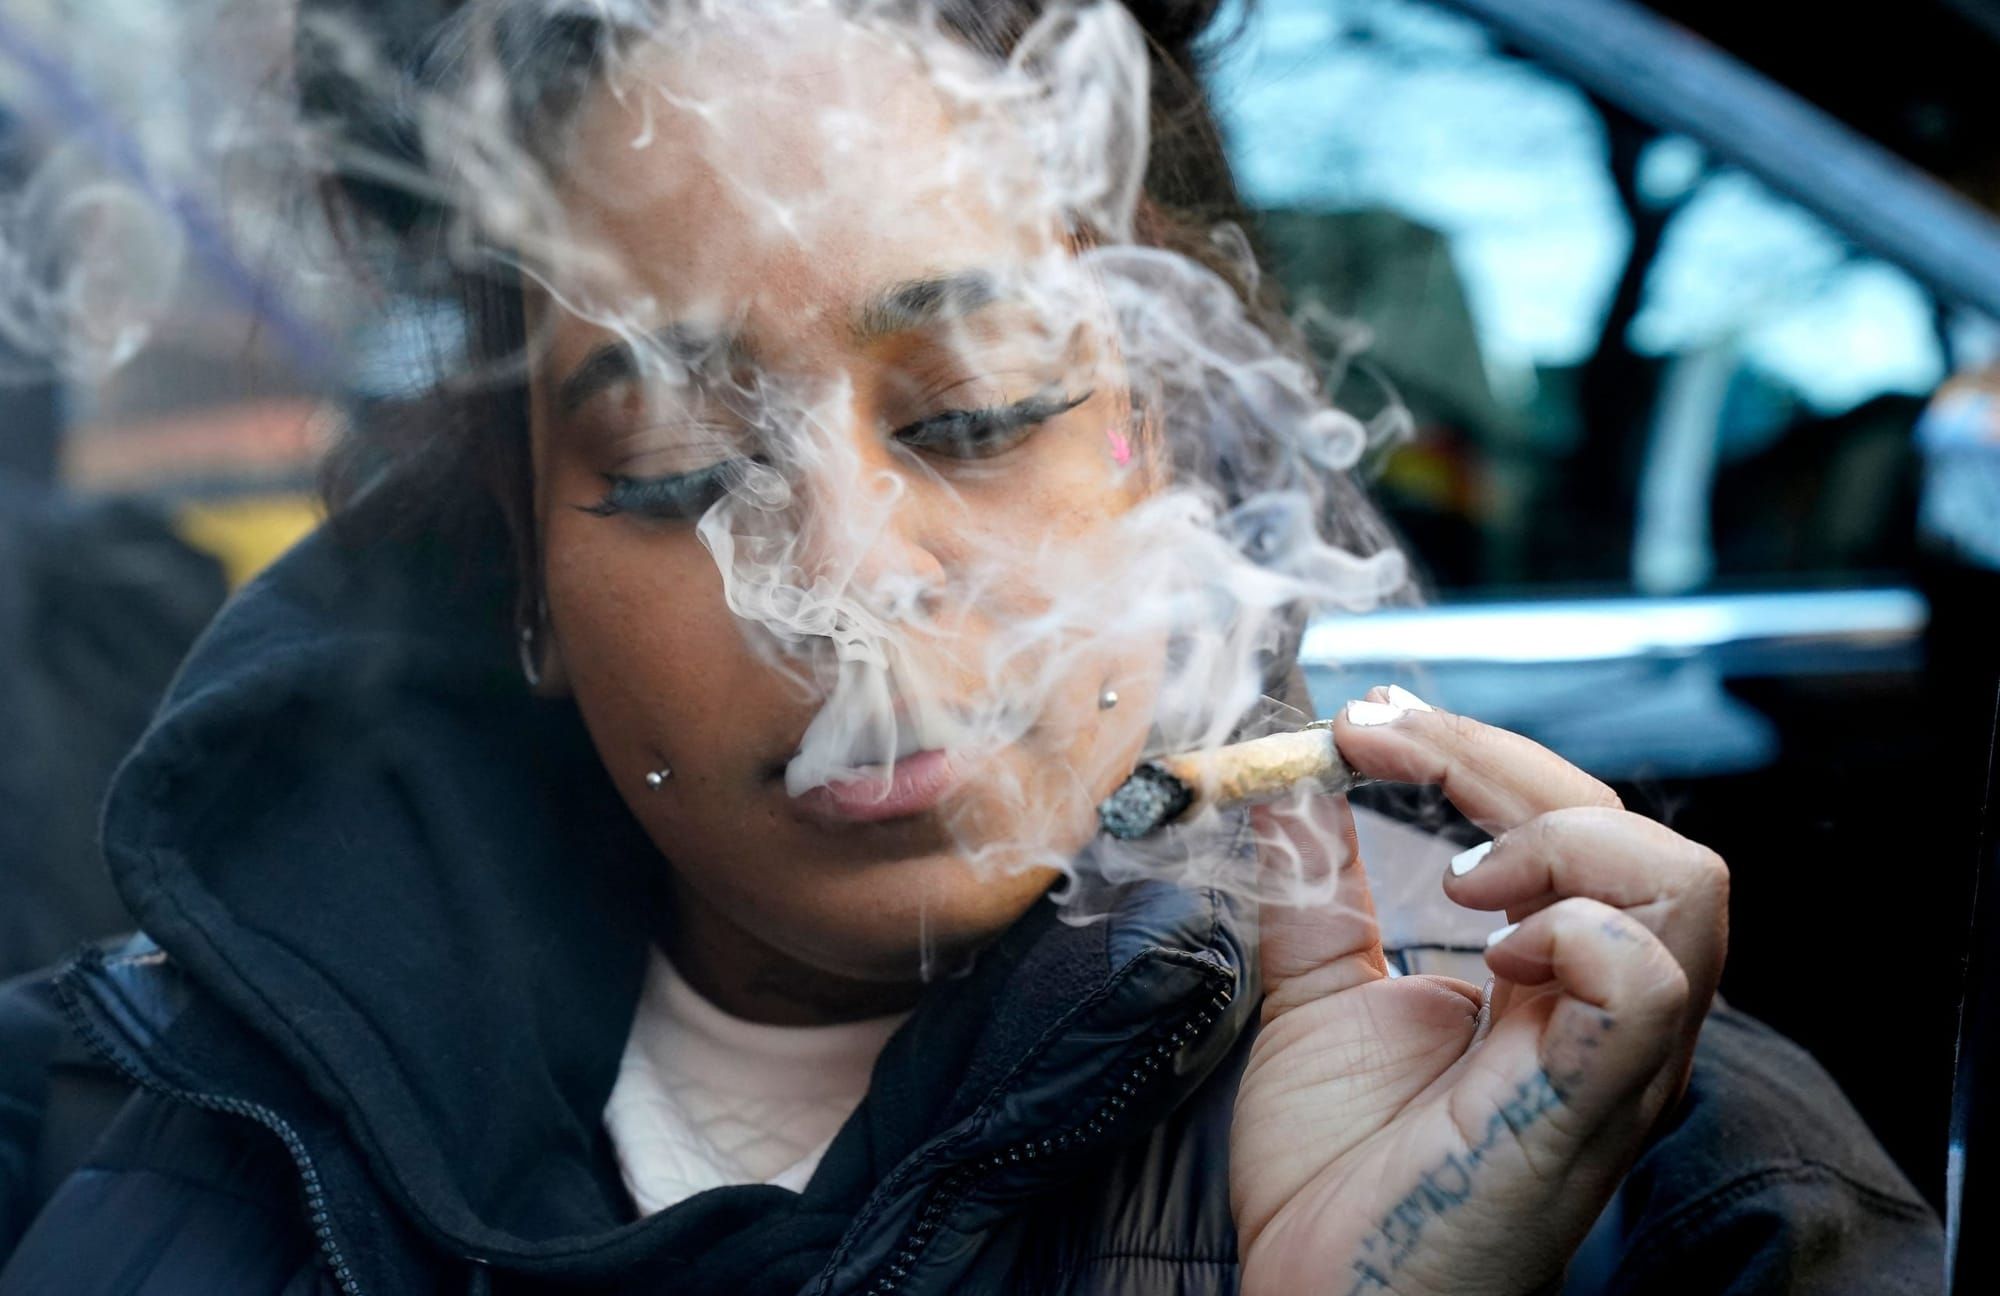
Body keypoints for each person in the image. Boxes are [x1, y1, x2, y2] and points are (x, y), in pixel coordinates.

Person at [0, 1, 1941, 1292]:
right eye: (677, 466)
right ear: (519, 562)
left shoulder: (1663, 1193)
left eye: (972, 413)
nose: (848, 576)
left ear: (1174, 431)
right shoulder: (92, 1136)